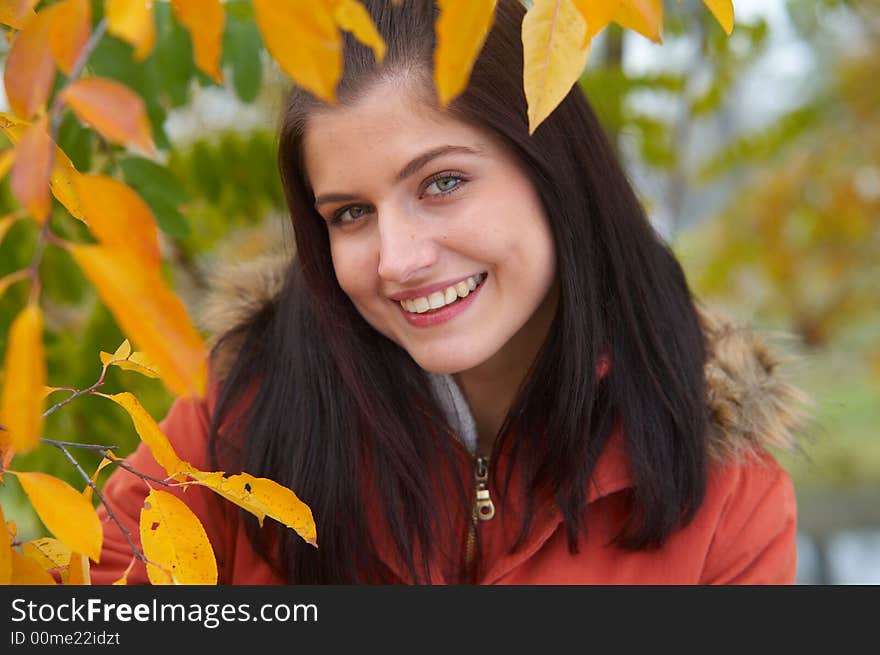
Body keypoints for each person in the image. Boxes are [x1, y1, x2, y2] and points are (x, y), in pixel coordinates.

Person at [92, 0, 805, 585]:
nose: (397, 261)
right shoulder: (238, 414)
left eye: (442, 183)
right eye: (350, 213)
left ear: (553, 171)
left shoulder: (729, 496)